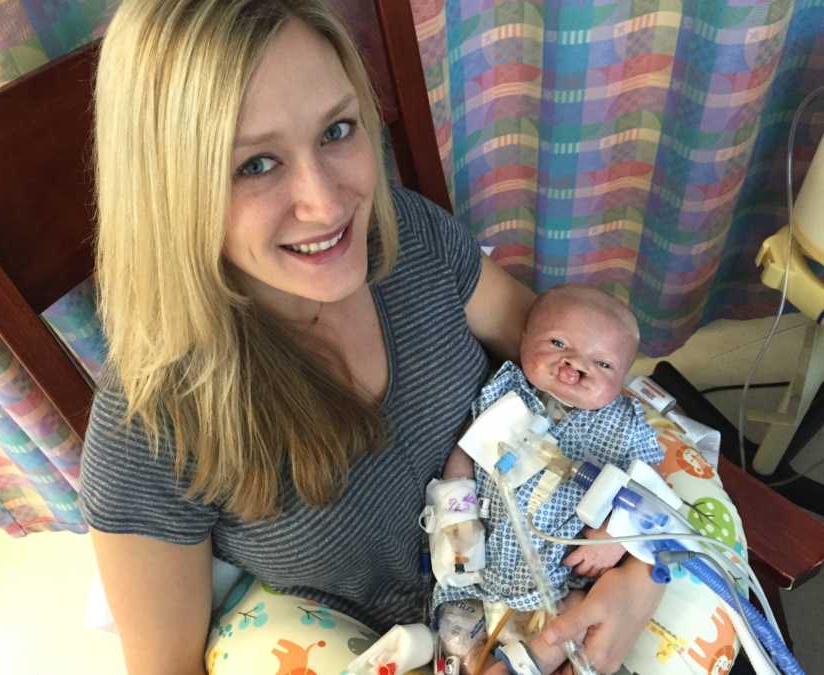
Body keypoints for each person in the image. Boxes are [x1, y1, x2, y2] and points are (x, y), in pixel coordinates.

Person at [81, 2, 664, 674]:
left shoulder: (411, 238)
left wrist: (640, 577)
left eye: (336, 129)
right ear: (166, 190)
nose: (328, 205)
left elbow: (589, 380)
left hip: (559, 584)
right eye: (255, 165)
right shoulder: (150, 433)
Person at [429, 285, 664, 673]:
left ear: (623, 378)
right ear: (523, 339)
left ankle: (524, 664)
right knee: (452, 633)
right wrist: (456, 515)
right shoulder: (506, 391)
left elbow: (650, 492)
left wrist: (615, 538)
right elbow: (466, 452)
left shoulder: (625, 425)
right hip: (474, 568)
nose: (575, 365)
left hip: (558, 583)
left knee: (572, 624)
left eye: (603, 364)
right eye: (558, 342)